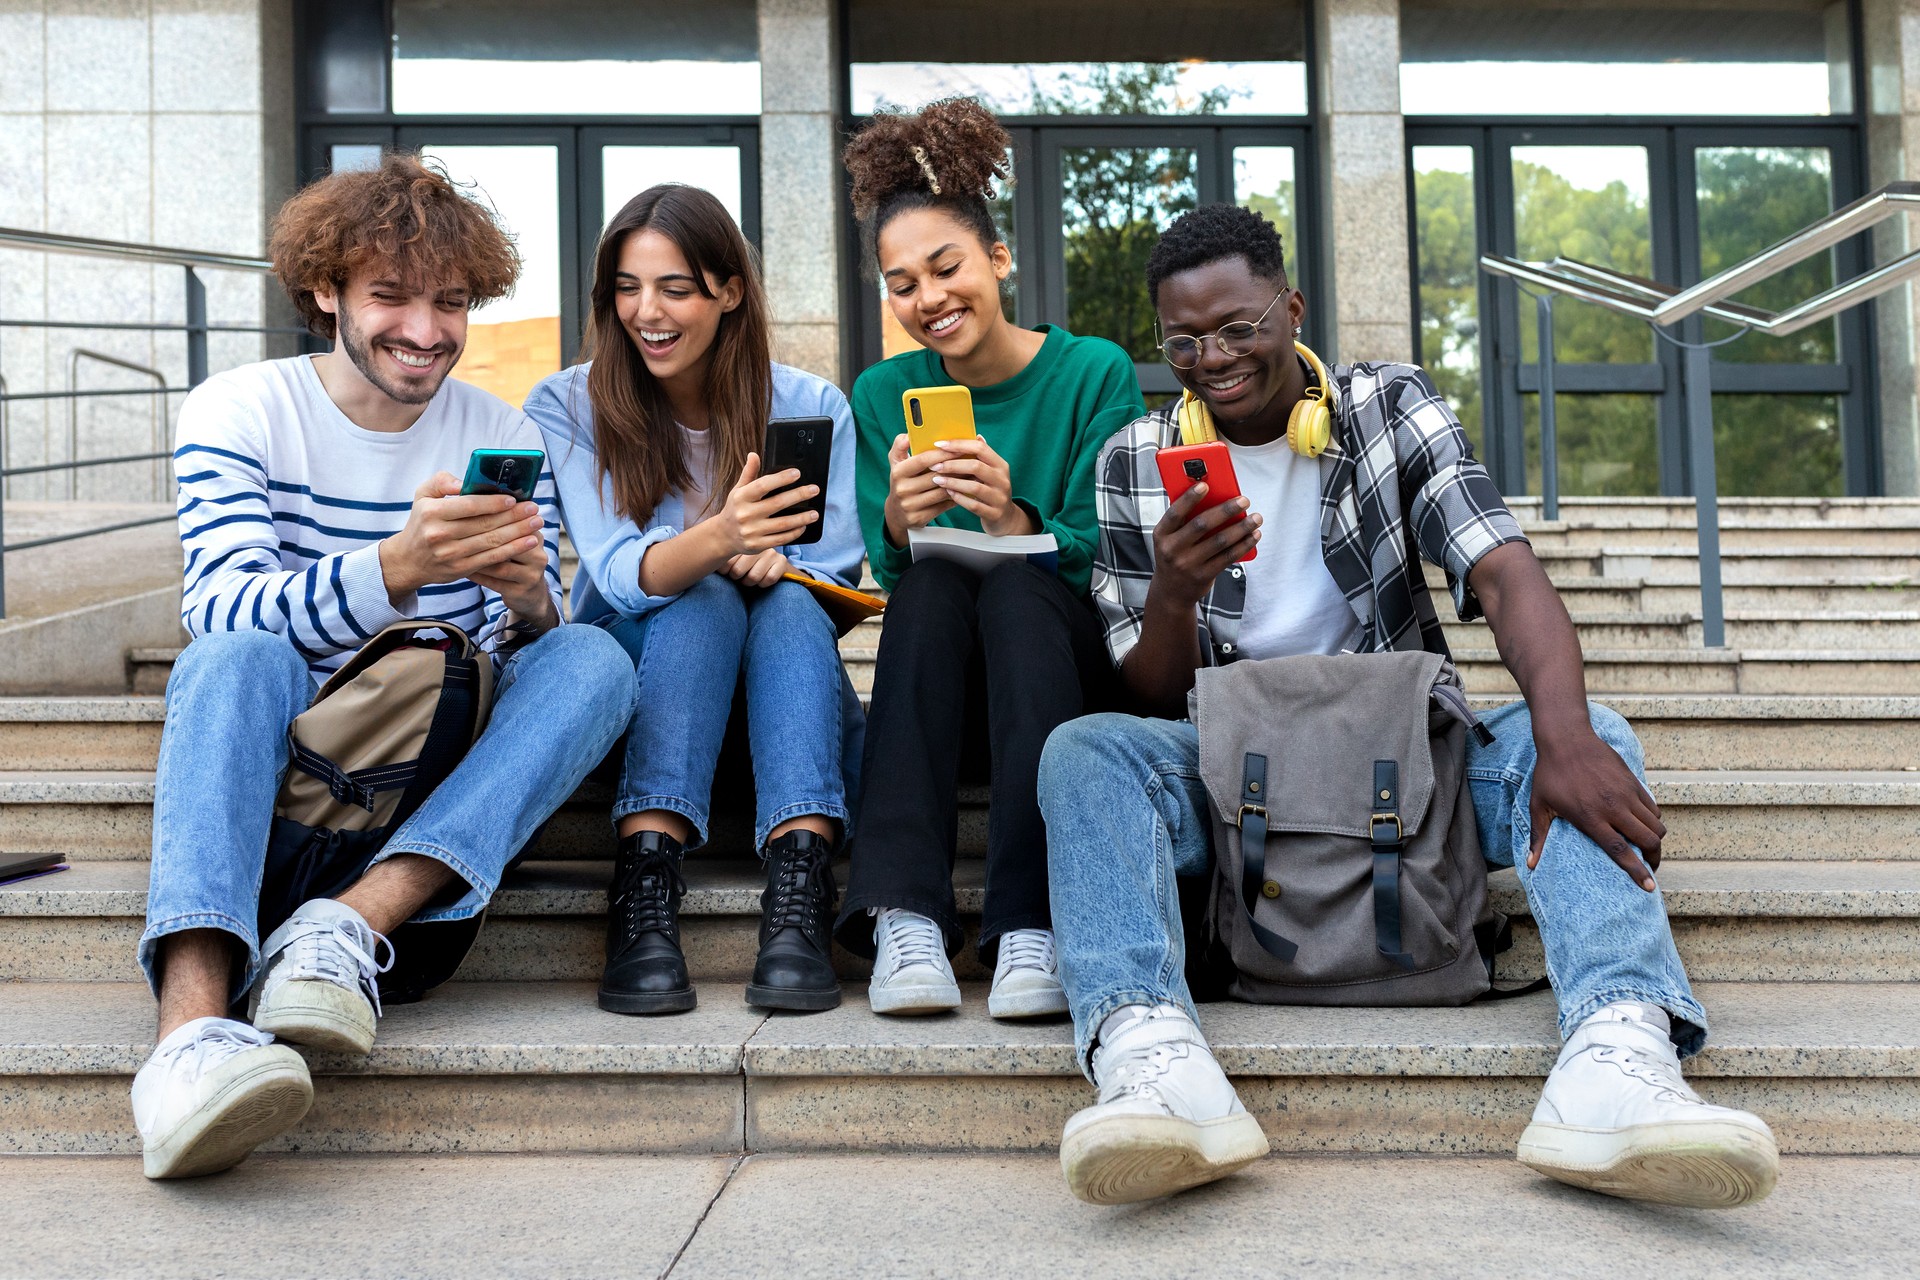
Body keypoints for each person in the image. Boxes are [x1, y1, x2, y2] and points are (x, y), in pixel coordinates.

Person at [1039, 203, 1780, 1208]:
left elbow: (1505, 570)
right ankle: (1151, 1058)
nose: (1212, 356)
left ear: (1290, 309)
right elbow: (1151, 689)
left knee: (1589, 732)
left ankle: (1618, 1051)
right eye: (1184, 341)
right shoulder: (1133, 460)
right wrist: (1171, 593)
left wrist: (1560, 730)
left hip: (1404, 755)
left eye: (1240, 328)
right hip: (1232, 767)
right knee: (1085, 749)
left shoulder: (1387, 405)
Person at [134, 154, 636, 1180]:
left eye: (450, 302)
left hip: (412, 850)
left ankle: (340, 933)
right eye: (391, 296)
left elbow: (513, 671)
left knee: (594, 653)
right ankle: (186, 1039)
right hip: (281, 804)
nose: (426, 329)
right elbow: (220, 605)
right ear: (325, 292)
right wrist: (398, 566)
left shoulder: (500, 429)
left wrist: (527, 596)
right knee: (233, 654)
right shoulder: (238, 409)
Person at [833, 99, 1146, 1019]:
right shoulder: (885, 390)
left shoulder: (1094, 372)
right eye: (901, 283)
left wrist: (1013, 519)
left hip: (1062, 676)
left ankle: (1032, 925)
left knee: (1015, 591)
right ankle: (905, 917)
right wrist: (896, 521)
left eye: (946, 267)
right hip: (947, 688)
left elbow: (1112, 552)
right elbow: (888, 580)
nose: (927, 298)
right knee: (931, 583)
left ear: (998, 260)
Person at [525, 184, 864, 1014]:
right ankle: (644, 887)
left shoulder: (810, 405)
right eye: (627, 288)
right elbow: (615, 575)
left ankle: (798, 892)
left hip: (778, 704)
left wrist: (781, 564)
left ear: (729, 291)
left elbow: (843, 577)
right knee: (700, 599)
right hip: (642, 698)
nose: (648, 311)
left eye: (675, 288)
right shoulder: (568, 403)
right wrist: (723, 541)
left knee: (787, 604)